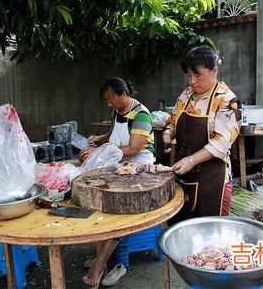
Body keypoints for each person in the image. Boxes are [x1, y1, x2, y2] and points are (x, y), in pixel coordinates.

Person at [79, 77, 154, 288]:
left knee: (116, 210)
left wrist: (99, 151)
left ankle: (100, 264)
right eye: (107, 100)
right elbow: (113, 134)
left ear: (124, 94)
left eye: (111, 99)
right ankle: (100, 256)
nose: (109, 104)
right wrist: (100, 139)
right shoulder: (117, 112)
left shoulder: (141, 114)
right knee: (99, 204)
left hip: (138, 167)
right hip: (118, 163)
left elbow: (133, 149)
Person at [163, 45, 241, 223]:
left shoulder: (227, 100)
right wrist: (168, 133)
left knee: (212, 238)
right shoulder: (187, 94)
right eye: (188, 75)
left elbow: (221, 143)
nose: (192, 81)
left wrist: (191, 160)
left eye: (198, 75)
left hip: (212, 181)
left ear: (214, 71)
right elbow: (173, 119)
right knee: (182, 232)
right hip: (183, 176)